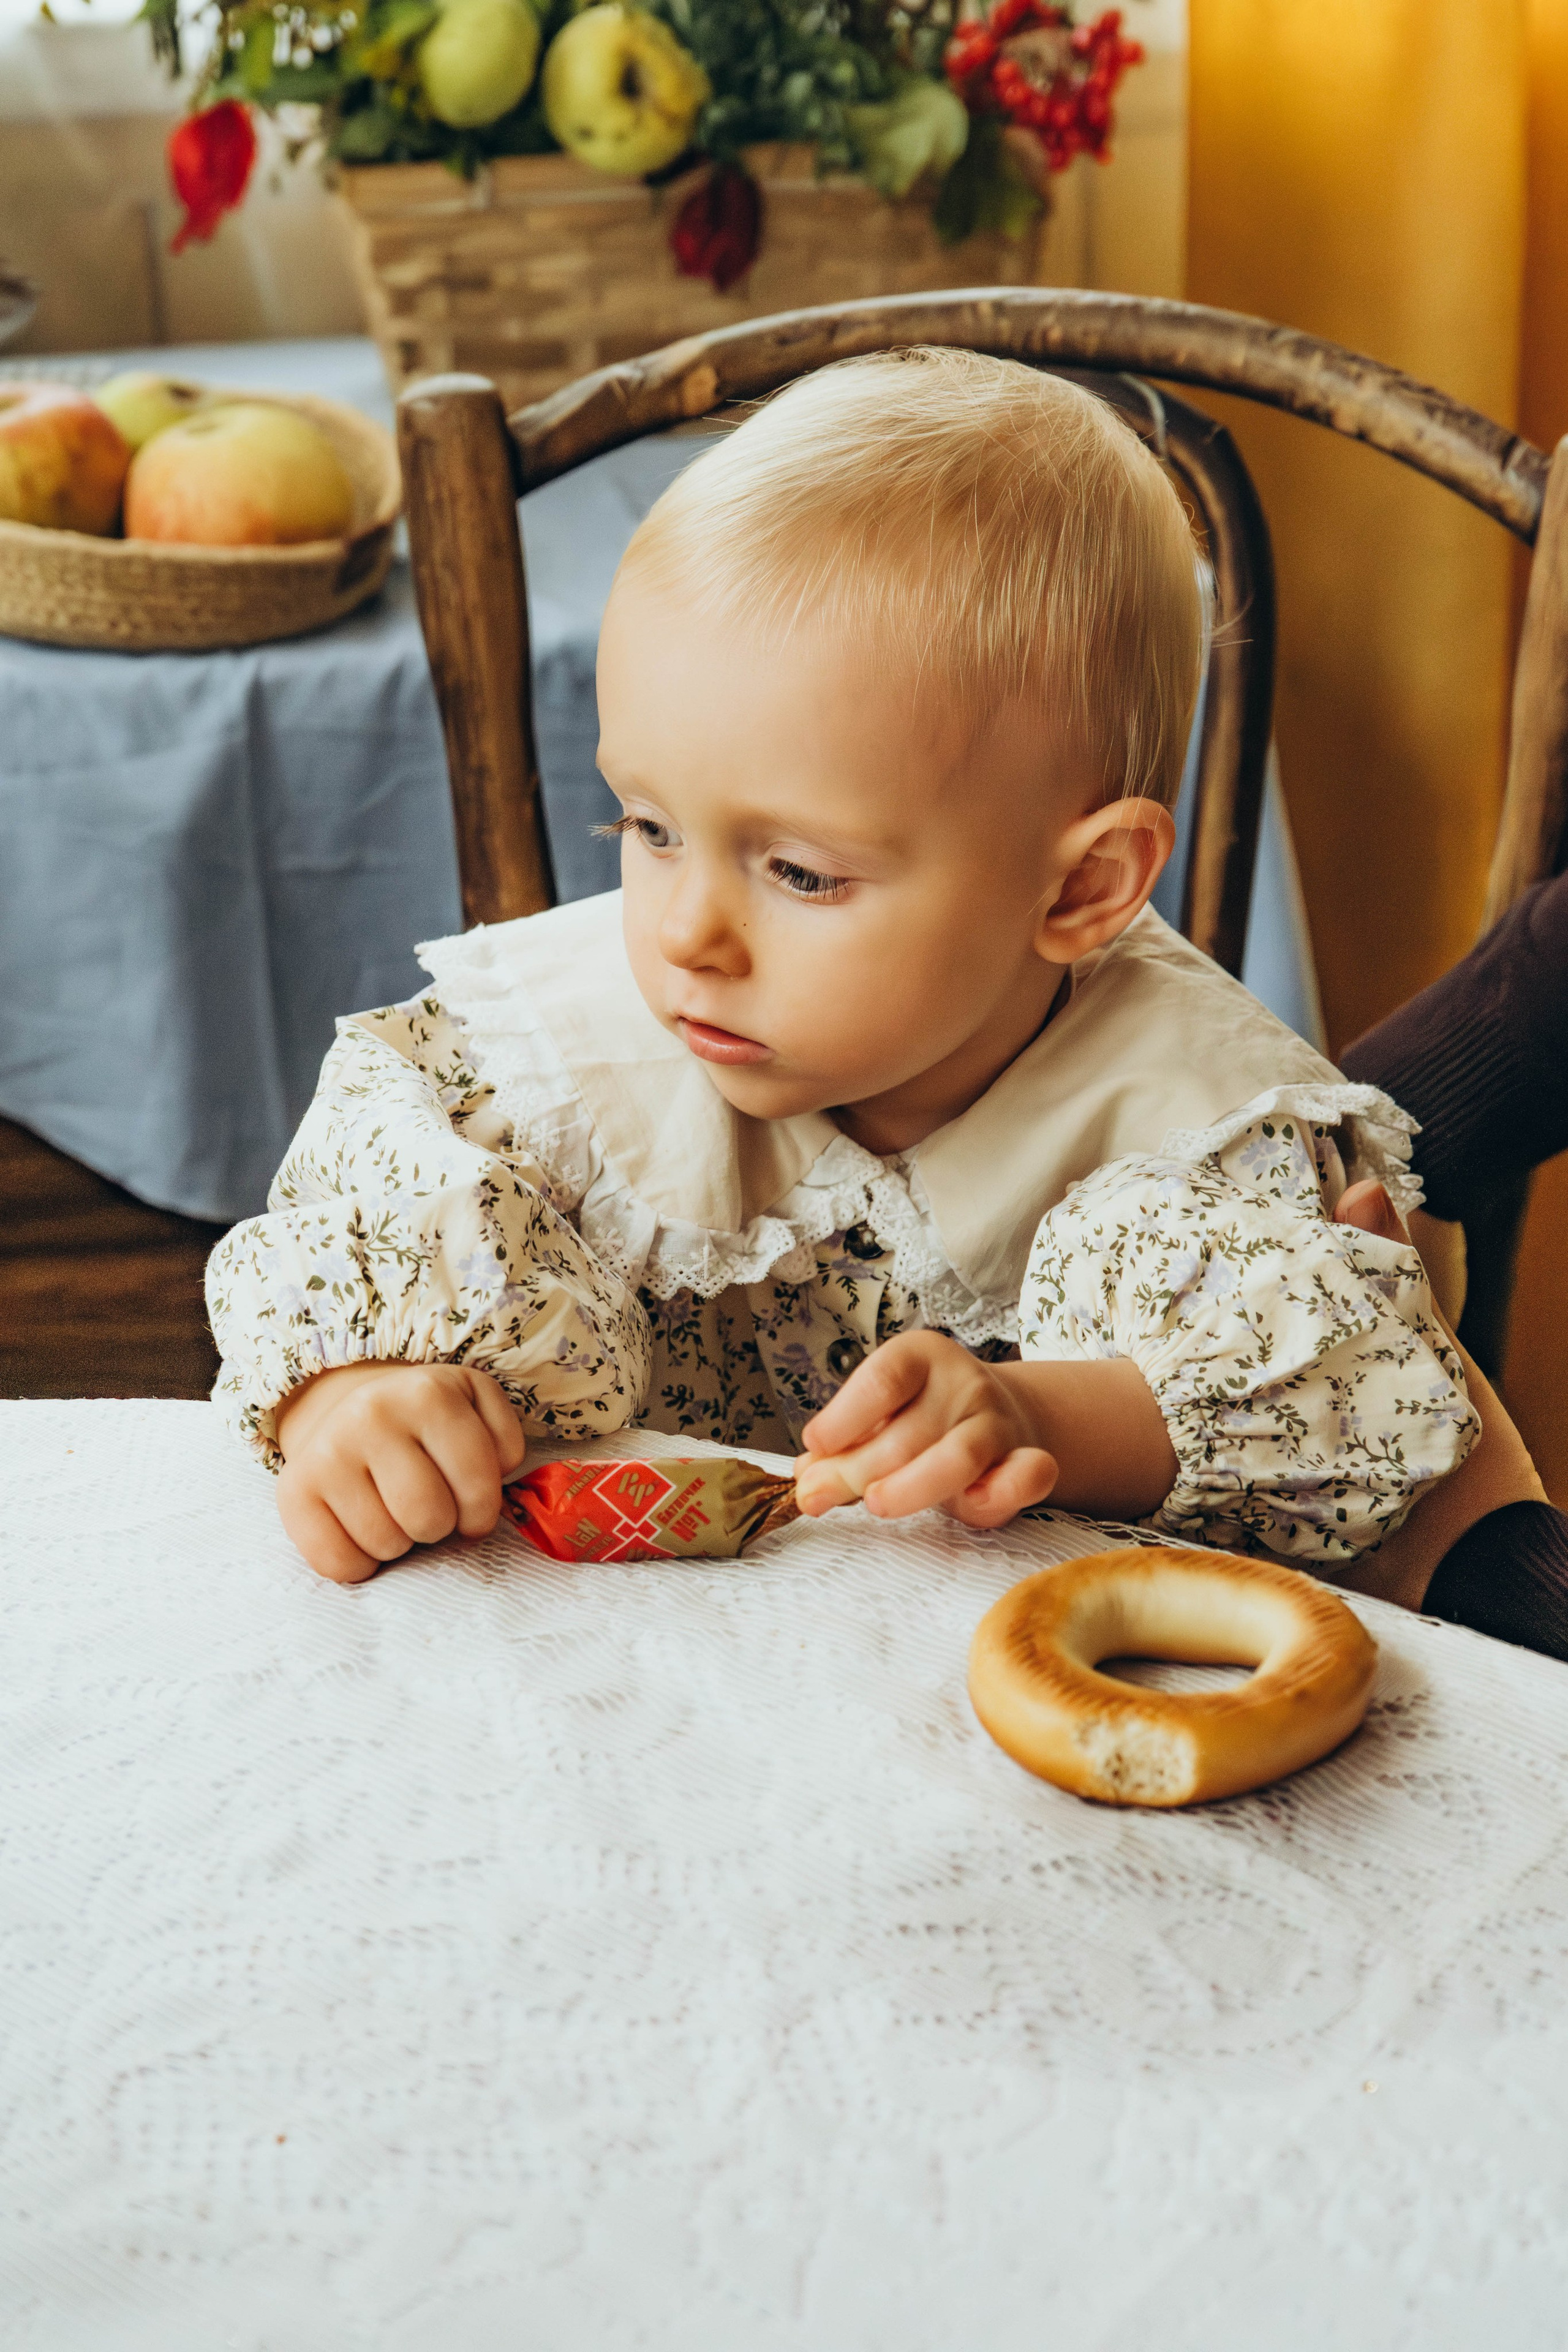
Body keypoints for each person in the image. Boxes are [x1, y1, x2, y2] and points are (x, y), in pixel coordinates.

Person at [208, 349, 1492, 1629]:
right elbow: (352, 1238)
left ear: (1079, 888)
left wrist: (1040, 1414)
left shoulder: (1190, 1128)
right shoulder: (550, 1069)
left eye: (801, 874)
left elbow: (1335, 1422)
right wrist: (359, 1397)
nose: (687, 933)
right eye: (648, 829)